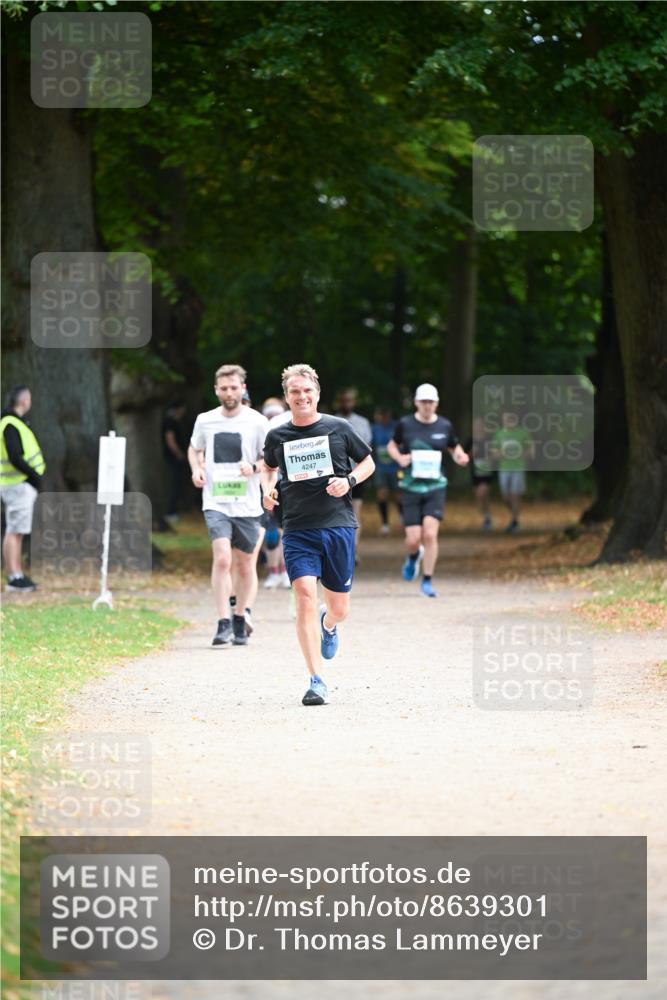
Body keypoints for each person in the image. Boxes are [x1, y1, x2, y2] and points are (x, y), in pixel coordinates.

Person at [262, 363, 375, 706]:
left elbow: (368, 462)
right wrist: (268, 490)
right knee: (305, 598)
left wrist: (349, 481)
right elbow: (268, 467)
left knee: (338, 607)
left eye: (307, 390)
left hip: (337, 525)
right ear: (287, 397)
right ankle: (316, 679)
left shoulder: (338, 428)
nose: (301, 396)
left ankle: (329, 624)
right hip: (297, 527)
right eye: (294, 392)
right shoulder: (277, 436)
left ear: (317, 393)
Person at [188, 364, 268, 647]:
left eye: (234, 387)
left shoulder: (257, 421)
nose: (229, 392)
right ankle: (222, 621)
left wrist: (255, 467)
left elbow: (271, 459)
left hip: (247, 503)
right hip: (216, 499)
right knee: (222, 557)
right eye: (224, 388)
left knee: (245, 564)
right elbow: (194, 448)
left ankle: (239, 616)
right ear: (216, 390)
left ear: (243, 388)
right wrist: (196, 469)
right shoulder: (205, 420)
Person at [387, 382, 469, 598]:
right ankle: (414, 556)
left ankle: (427, 580)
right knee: (414, 539)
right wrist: (399, 457)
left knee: (430, 534)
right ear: (416, 402)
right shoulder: (405, 424)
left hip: (435, 486)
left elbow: (453, 445)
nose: (427, 406)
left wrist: (459, 455)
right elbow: (391, 446)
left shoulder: (444, 425)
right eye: (423, 401)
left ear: (437, 403)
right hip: (410, 486)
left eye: (431, 402)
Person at [1, 386, 45, 592]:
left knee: (17, 531)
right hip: (18, 485)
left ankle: (17, 573)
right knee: (14, 531)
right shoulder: (11, 424)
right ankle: (14, 576)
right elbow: (15, 457)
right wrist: (33, 477)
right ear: (24, 400)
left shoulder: (12, 423)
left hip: (18, 485)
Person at [336, 387, 372, 556]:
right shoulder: (332, 420)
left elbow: (367, 448)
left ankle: (353, 550)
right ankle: (339, 548)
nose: (347, 403)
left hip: (357, 472)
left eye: (349, 400)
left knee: (355, 512)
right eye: (344, 400)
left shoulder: (363, 422)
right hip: (336, 474)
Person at [260, 397, 291, 590]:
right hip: (264, 486)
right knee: (270, 534)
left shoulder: (289, 426)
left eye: (276, 414)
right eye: (269, 414)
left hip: (286, 486)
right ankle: (273, 572)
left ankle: (287, 571)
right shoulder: (262, 428)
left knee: (285, 532)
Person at [490, 411, 532, 533]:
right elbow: (493, 452)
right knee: (505, 496)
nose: (509, 420)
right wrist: (500, 454)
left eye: (511, 418)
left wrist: (524, 454)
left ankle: (514, 520)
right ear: (503, 420)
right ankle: (514, 514)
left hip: (518, 467)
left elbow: (530, 448)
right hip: (504, 468)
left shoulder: (523, 432)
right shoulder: (499, 434)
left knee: (515, 495)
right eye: (506, 418)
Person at [371, 406, 399, 535]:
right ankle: (385, 523)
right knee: (382, 494)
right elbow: (371, 446)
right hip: (381, 467)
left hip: (396, 466)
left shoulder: (397, 427)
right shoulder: (375, 428)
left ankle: (402, 517)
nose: (385, 417)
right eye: (382, 415)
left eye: (387, 414)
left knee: (398, 495)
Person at [465, 415, 496, 531]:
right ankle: (487, 516)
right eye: (476, 425)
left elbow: (495, 455)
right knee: (482, 497)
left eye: (480, 425)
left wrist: (490, 454)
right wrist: (471, 454)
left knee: (481, 493)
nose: (478, 427)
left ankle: (486, 517)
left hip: (487, 472)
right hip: (475, 473)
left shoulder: (489, 439)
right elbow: (465, 458)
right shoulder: (470, 440)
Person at [162, 400, 189, 525]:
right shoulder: (170, 422)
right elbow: (170, 439)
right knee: (174, 485)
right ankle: (170, 512)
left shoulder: (173, 422)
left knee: (177, 484)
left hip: (175, 457)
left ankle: (173, 510)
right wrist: (179, 454)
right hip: (173, 458)